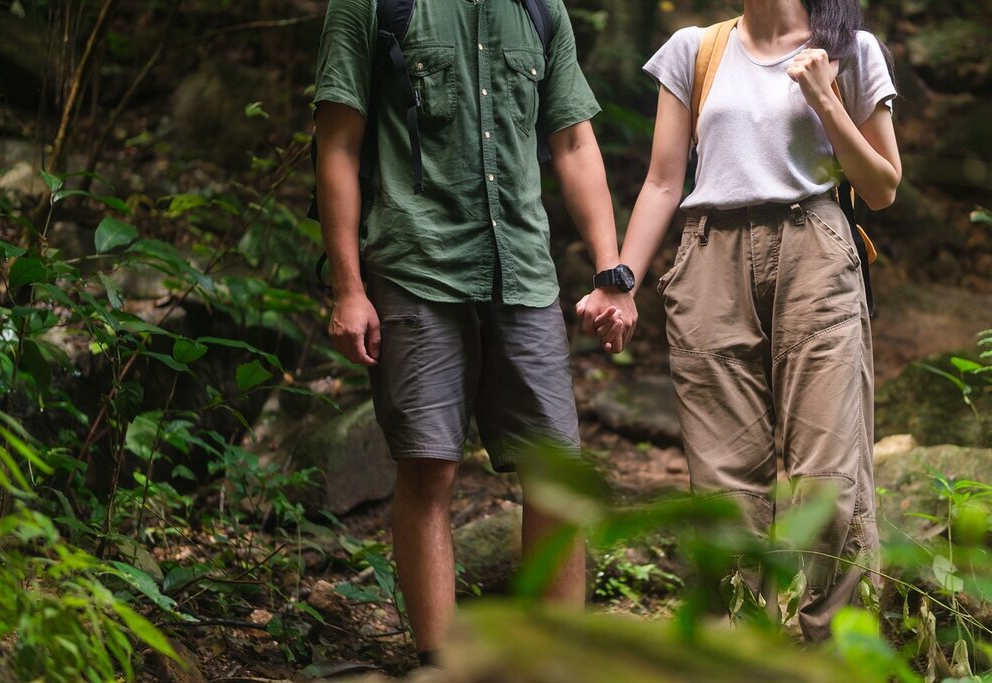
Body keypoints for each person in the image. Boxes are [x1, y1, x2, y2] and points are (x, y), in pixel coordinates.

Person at [312, 0, 633, 664]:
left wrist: (610, 269)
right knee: (429, 467)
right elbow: (338, 144)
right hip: (415, 264)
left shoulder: (540, 10)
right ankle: (443, 663)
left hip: (523, 270)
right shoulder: (373, 7)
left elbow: (573, 140)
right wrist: (348, 288)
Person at [581, 0, 900, 640]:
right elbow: (664, 182)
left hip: (815, 252)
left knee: (829, 483)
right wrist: (619, 281)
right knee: (726, 491)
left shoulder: (852, 48)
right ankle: (740, 649)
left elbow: (884, 185)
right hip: (708, 262)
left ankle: (834, 656)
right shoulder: (695, 50)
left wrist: (826, 100)